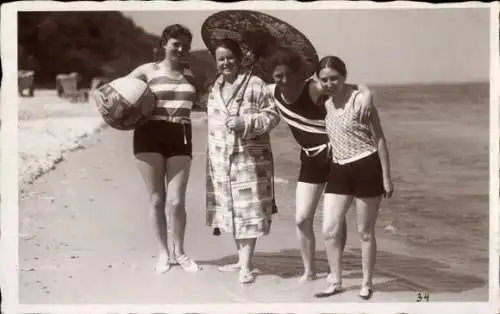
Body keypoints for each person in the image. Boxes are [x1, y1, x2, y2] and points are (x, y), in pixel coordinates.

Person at [266, 47, 374, 283]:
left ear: (297, 73)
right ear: (272, 77)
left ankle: (337, 266)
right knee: (302, 218)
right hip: (310, 161)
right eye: (278, 76)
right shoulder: (272, 92)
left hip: (336, 157)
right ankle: (310, 270)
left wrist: (367, 94)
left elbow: (350, 87)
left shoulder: (313, 88)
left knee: (335, 220)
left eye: (288, 75)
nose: (284, 80)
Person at [313, 56, 393, 299]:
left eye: (334, 78)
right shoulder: (325, 104)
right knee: (329, 229)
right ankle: (335, 281)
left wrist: (387, 177)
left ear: (344, 76)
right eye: (324, 79)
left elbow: (379, 138)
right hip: (338, 169)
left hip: (366, 167)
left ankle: (367, 283)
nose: (329, 83)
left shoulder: (361, 101)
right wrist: (366, 88)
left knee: (365, 231)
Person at [125, 24, 201, 274]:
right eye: (176, 43)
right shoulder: (148, 70)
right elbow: (118, 93)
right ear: (164, 44)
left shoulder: (192, 73)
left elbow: (210, 98)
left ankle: (179, 251)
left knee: (177, 201)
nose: (181, 49)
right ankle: (163, 253)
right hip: (149, 134)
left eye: (185, 46)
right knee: (157, 200)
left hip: (181, 134)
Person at [205, 38, 280, 284]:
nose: (226, 62)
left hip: (250, 159)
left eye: (230, 57)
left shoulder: (256, 84)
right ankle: (241, 259)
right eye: (221, 58)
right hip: (221, 160)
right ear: (216, 63)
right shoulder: (214, 89)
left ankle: (246, 265)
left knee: (248, 209)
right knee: (233, 211)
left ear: (239, 58)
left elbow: (272, 116)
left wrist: (245, 123)